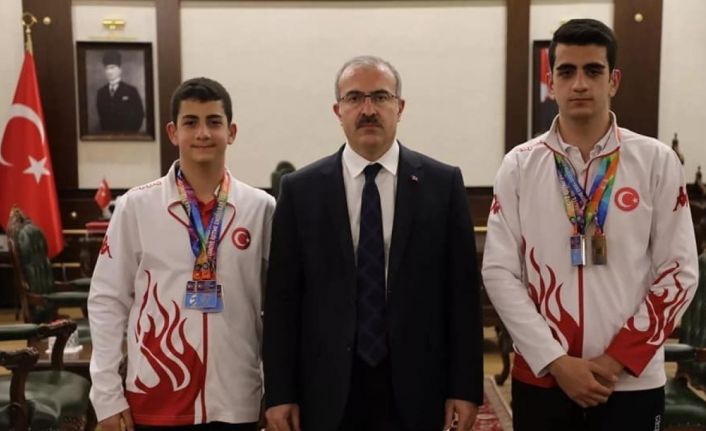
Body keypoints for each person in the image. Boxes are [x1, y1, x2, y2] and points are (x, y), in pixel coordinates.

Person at [482, 18, 698, 431]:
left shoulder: (655, 162)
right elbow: (499, 271)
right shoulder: (519, 165)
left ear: (613, 81)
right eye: (566, 72)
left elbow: (679, 270)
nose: (579, 83)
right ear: (551, 83)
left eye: (593, 70)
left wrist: (617, 359)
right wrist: (556, 361)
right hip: (544, 377)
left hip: (631, 380)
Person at [263, 55, 483, 431]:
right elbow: (283, 301)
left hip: (418, 383)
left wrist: (464, 388)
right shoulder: (300, 191)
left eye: (380, 97)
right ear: (338, 110)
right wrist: (280, 393)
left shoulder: (442, 185)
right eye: (354, 98)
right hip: (327, 385)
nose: (368, 110)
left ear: (400, 107)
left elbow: (462, 296)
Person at [89, 77, 275, 430]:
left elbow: (281, 308)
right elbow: (107, 301)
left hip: (238, 399)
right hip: (156, 394)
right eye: (191, 122)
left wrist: (277, 390)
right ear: (173, 132)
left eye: (214, 122)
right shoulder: (136, 207)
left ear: (231, 132)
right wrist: (106, 395)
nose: (203, 133)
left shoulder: (261, 209)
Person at [96, 50, 145, 132]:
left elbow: (139, 115)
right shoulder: (101, 93)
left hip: (128, 135)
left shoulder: (131, 91)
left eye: (112, 67)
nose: (109, 71)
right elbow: (102, 118)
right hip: (107, 136)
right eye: (107, 68)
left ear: (120, 70)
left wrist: (128, 134)